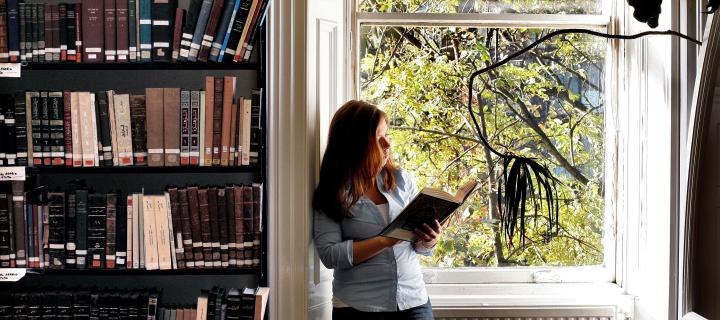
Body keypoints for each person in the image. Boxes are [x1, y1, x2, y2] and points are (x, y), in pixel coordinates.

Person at [313, 100, 443, 320]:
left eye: (387, 134)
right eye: (378, 137)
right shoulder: (332, 192)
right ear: (355, 143)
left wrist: (429, 240)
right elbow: (329, 255)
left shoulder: (401, 180)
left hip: (413, 301)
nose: (387, 144)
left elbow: (417, 247)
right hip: (359, 306)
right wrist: (385, 240)